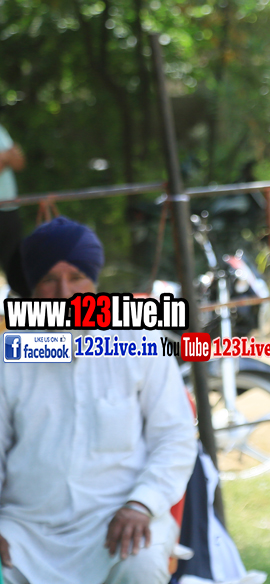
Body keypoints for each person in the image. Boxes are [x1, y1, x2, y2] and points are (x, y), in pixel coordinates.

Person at [0, 217, 197, 584]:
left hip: (120, 518)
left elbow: (175, 436)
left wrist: (142, 504)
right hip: (26, 527)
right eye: (49, 280)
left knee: (140, 565)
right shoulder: (8, 355)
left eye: (76, 278)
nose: (64, 294)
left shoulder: (139, 341)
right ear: (32, 288)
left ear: (94, 281)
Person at [0, 121, 26, 295]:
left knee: (17, 269)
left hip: (10, 209)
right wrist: (6, 157)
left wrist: (5, 158)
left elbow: (19, 162)